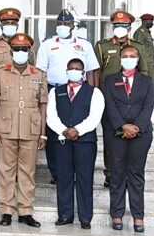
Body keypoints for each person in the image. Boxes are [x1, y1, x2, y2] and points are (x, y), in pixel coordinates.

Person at [0, 33, 47, 228]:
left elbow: (42, 105)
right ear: (11, 51)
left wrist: (43, 132)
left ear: (30, 52)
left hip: (30, 129)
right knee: (5, 171)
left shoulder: (39, 74)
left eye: (25, 50)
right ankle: (6, 210)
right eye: (18, 49)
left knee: (28, 172)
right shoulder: (0, 73)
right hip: (6, 129)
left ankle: (25, 211)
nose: (21, 52)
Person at [36, 9, 100, 185]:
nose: (62, 27)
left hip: (80, 91)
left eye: (66, 23)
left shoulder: (85, 45)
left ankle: (76, 170)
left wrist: (92, 95)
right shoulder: (47, 45)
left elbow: (92, 72)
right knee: (53, 131)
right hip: (54, 90)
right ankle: (56, 171)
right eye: (59, 24)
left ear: (73, 25)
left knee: (78, 129)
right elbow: (40, 72)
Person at [46, 58, 104, 230]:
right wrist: (63, 130)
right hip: (62, 140)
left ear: (83, 71)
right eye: (70, 68)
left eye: (77, 68)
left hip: (85, 141)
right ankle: (65, 214)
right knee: (63, 177)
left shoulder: (94, 92)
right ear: (66, 70)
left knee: (85, 178)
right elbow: (51, 115)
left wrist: (77, 130)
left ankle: (85, 217)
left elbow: (95, 117)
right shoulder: (56, 92)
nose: (73, 71)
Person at [103, 46, 154, 233]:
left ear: (138, 58)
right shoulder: (110, 80)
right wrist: (122, 126)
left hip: (141, 134)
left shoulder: (147, 81)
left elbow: (148, 106)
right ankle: (116, 213)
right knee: (117, 174)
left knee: (136, 174)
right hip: (116, 133)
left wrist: (136, 127)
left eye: (132, 56)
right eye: (125, 56)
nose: (128, 59)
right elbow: (109, 105)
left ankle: (138, 216)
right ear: (120, 58)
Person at [95, 11, 149, 187]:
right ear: (112, 27)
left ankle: (129, 174)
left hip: (132, 101)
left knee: (133, 139)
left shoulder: (138, 46)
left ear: (129, 27)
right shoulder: (102, 46)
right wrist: (96, 95)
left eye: (123, 26)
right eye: (117, 26)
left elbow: (144, 72)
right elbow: (97, 72)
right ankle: (111, 174)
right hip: (109, 101)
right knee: (111, 139)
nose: (120, 29)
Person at [0, 7, 35, 181]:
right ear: (1, 24)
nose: (9, 25)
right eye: (6, 23)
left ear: (18, 24)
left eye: (13, 23)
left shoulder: (26, 44)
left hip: (22, 95)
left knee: (22, 134)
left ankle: (20, 172)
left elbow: (33, 69)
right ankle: (0, 171)